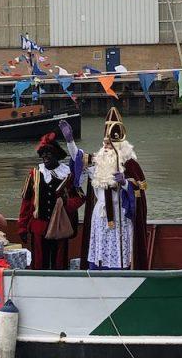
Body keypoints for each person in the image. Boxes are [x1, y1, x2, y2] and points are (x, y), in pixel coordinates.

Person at [73, 109, 149, 270]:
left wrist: (126, 184)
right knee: (99, 248)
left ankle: (119, 271)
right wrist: (70, 142)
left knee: (118, 251)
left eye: (109, 144)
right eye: (104, 143)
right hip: (100, 215)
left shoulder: (130, 164)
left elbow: (141, 188)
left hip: (120, 214)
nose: (106, 147)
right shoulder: (98, 161)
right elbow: (79, 163)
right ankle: (97, 271)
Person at [18, 131, 85, 269]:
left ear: (56, 155)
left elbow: (80, 197)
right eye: (42, 154)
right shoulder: (34, 174)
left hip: (60, 226)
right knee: (39, 263)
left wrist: (66, 203)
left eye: (48, 153)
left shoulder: (67, 175)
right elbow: (26, 203)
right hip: (39, 226)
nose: (44, 156)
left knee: (59, 262)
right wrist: (22, 227)